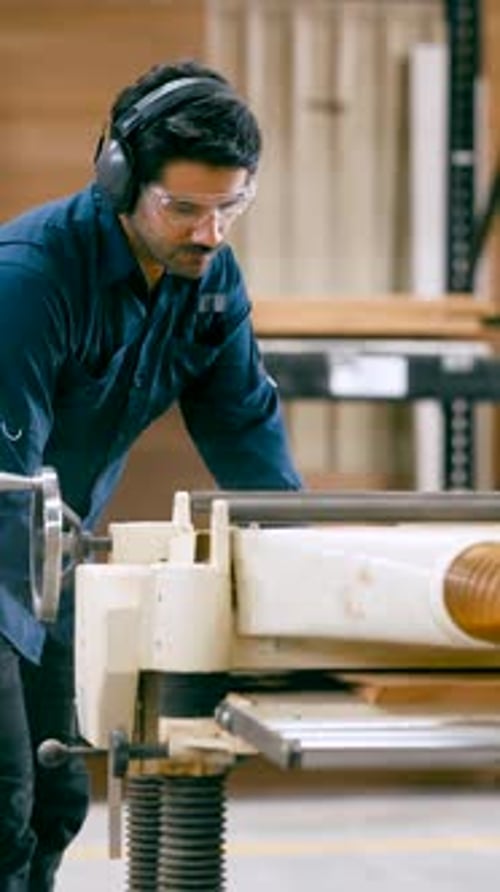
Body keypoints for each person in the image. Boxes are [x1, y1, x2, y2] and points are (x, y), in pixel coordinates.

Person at [0, 58, 301, 890]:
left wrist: (302, 567)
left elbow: (246, 432)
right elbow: (3, 480)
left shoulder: (205, 282)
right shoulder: (29, 279)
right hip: (4, 541)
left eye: (229, 208)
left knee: (55, 797)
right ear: (118, 178)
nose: (209, 234)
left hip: (45, 564)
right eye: (184, 210)